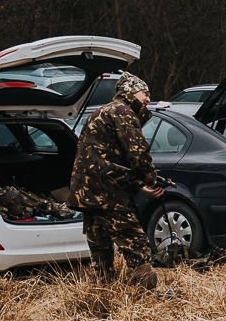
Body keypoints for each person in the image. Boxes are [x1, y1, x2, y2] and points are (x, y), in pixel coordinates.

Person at [69, 72, 166, 287]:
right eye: (145, 94)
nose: (148, 99)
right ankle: (145, 296)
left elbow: (106, 162)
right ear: (129, 91)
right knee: (137, 244)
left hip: (87, 194)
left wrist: (139, 186)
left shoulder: (100, 113)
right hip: (107, 195)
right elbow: (138, 153)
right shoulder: (124, 112)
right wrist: (151, 180)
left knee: (100, 246)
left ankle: (102, 294)